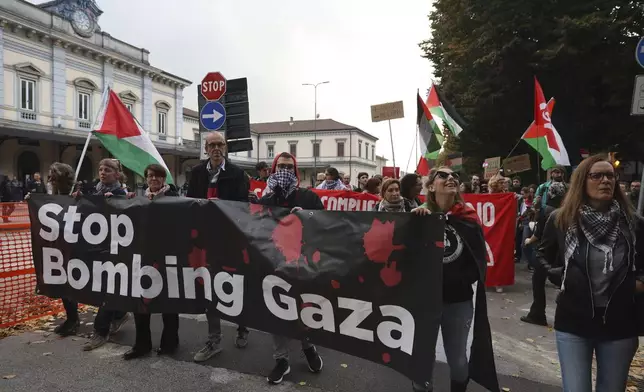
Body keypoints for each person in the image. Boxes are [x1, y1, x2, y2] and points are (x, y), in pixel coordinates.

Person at [537, 154, 644, 391]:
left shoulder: (633, 222)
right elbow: (541, 254)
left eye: (610, 176)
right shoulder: (561, 219)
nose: (606, 181)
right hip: (573, 322)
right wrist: (557, 274)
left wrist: (637, 284)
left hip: (620, 323)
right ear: (582, 181)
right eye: (597, 175)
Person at [411, 167, 499, 392]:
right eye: (442, 175)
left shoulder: (468, 219)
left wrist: (457, 279)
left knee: (458, 359)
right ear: (430, 186)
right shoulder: (418, 218)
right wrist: (415, 225)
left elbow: (477, 261)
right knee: (421, 359)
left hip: (458, 301)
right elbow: (404, 258)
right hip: (423, 302)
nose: (451, 178)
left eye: (454, 176)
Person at [257, 152, 324, 384]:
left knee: (301, 309)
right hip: (273, 264)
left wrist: (307, 218)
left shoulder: (307, 197)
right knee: (276, 311)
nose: (284, 171)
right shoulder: (265, 199)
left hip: (301, 264)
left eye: (289, 167)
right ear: (273, 169)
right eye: (280, 166)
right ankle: (281, 360)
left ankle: (308, 347)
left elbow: (326, 222)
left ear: (295, 170)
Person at [186, 132, 251, 362]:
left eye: (219, 144)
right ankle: (214, 340)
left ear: (225, 148)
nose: (216, 148)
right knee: (209, 288)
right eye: (211, 144)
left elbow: (243, 208)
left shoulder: (238, 174)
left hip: (231, 240)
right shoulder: (196, 173)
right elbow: (189, 203)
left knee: (236, 286)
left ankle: (243, 327)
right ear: (205, 148)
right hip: (205, 242)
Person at [123, 164, 180, 360]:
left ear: (164, 179)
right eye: (149, 176)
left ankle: (170, 342)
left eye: (157, 176)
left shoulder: (174, 199)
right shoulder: (140, 199)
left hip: (167, 256)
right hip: (143, 256)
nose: (153, 179)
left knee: (168, 303)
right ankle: (142, 345)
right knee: (140, 302)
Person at [73, 159, 130, 351]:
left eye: (107, 169)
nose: (103, 172)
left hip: (113, 248)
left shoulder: (120, 193)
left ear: (117, 174)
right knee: (105, 287)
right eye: (100, 169)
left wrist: (111, 202)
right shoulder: (95, 191)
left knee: (107, 288)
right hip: (94, 247)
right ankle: (120, 313)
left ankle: (100, 331)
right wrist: (79, 198)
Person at [39, 163, 81, 337]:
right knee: (64, 282)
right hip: (59, 245)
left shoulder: (76, 194)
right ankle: (72, 318)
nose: (50, 177)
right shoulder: (52, 193)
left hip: (76, 245)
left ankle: (114, 313)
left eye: (53, 174)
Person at [520, 181, 567, 326]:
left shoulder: (546, 211)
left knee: (538, 283)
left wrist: (528, 241)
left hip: (546, 255)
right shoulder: (566, 211)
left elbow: (538, 234)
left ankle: (537, 314)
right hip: (561, 255)